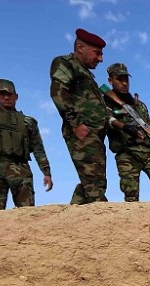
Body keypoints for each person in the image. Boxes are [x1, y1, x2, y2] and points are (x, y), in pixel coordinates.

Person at [49, 28, 113, 204]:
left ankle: (71, 221)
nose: (101, 59)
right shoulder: (65, 63)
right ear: (80, 47)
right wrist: (75, 124)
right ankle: (103, 223)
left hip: (94, 135)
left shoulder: (85, 74)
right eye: (97, 53)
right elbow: (58, 92)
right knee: (94, 185)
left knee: (93, 183)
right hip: (82, 132)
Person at [0, 79, 53, 210]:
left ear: (16, 96)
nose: (6, 97)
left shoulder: (28, 122)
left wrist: (47, 173)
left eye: (10, 94)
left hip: (20, 169)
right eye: (2, 93)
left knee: (27, 212)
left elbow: (38, 149)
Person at [103, 63, 150, 202]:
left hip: (148, 153)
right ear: (110, 81)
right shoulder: (106, 103)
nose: (124, 83)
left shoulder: (139, 105)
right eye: (120, 79)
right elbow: (107, 119)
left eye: (126, 80)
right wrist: (124, 126)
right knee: (131, 197)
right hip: (127, 154)